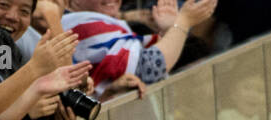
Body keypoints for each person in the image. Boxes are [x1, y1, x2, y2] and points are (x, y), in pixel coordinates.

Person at [62, 0, 218, 97]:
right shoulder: (83, 26)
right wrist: (183, 22)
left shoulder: (96, 22)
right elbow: (148, 68)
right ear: (69, 2)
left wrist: (168, 30)